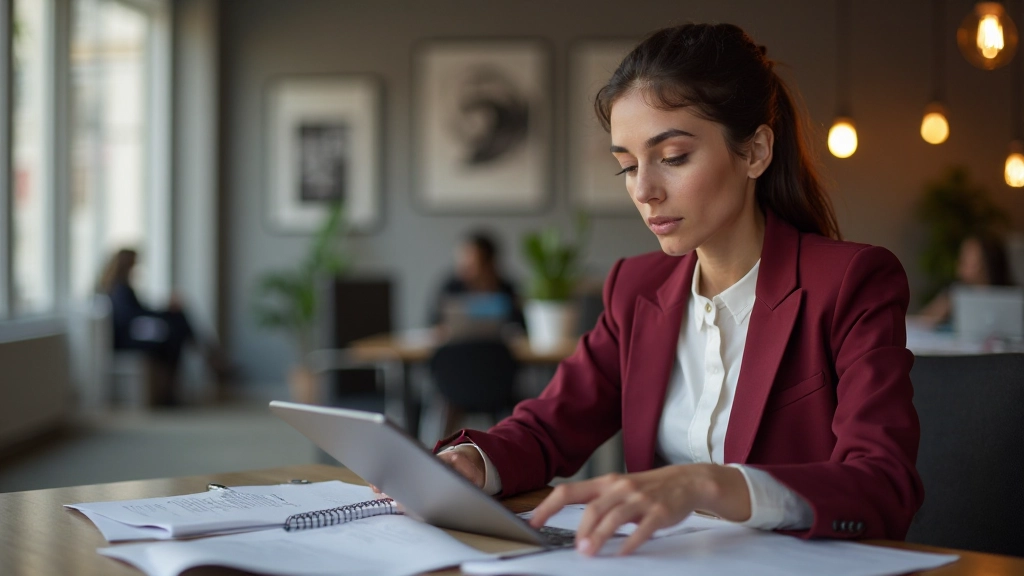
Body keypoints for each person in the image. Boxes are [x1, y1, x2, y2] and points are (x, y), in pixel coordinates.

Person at [423, 24, 923, 556]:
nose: (644, 190)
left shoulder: (851, 283)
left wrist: (712, 484)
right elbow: (550, 426)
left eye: (674, 157)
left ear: (754, 152)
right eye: (628, 166)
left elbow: (884, 486)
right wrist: (475, 461)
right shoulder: (635, 289)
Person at [98, 248, 227, 406]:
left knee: (177, 323)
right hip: (124, 340)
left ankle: (206, 358)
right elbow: (132, 315)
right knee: (175, 335)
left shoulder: (120, 286)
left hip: (130, 335)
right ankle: (208, 358)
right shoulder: (119, 288)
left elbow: (138, 311)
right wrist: (165, 309)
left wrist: (165, 309)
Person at [428, 230, 525, 331]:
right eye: (461, 260)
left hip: (496, 345)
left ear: (489, 263)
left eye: (471, 263)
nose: (463, 266)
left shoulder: (508, 289)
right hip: (458, 345)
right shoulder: (450, 288)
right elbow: (434, 324)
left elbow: (519, 326)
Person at [918, 233, 1014, 327]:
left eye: (965, 259)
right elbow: (921, 321)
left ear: (986, 263)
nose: (959, 264)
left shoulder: (1012, 298)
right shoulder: (954, 293)